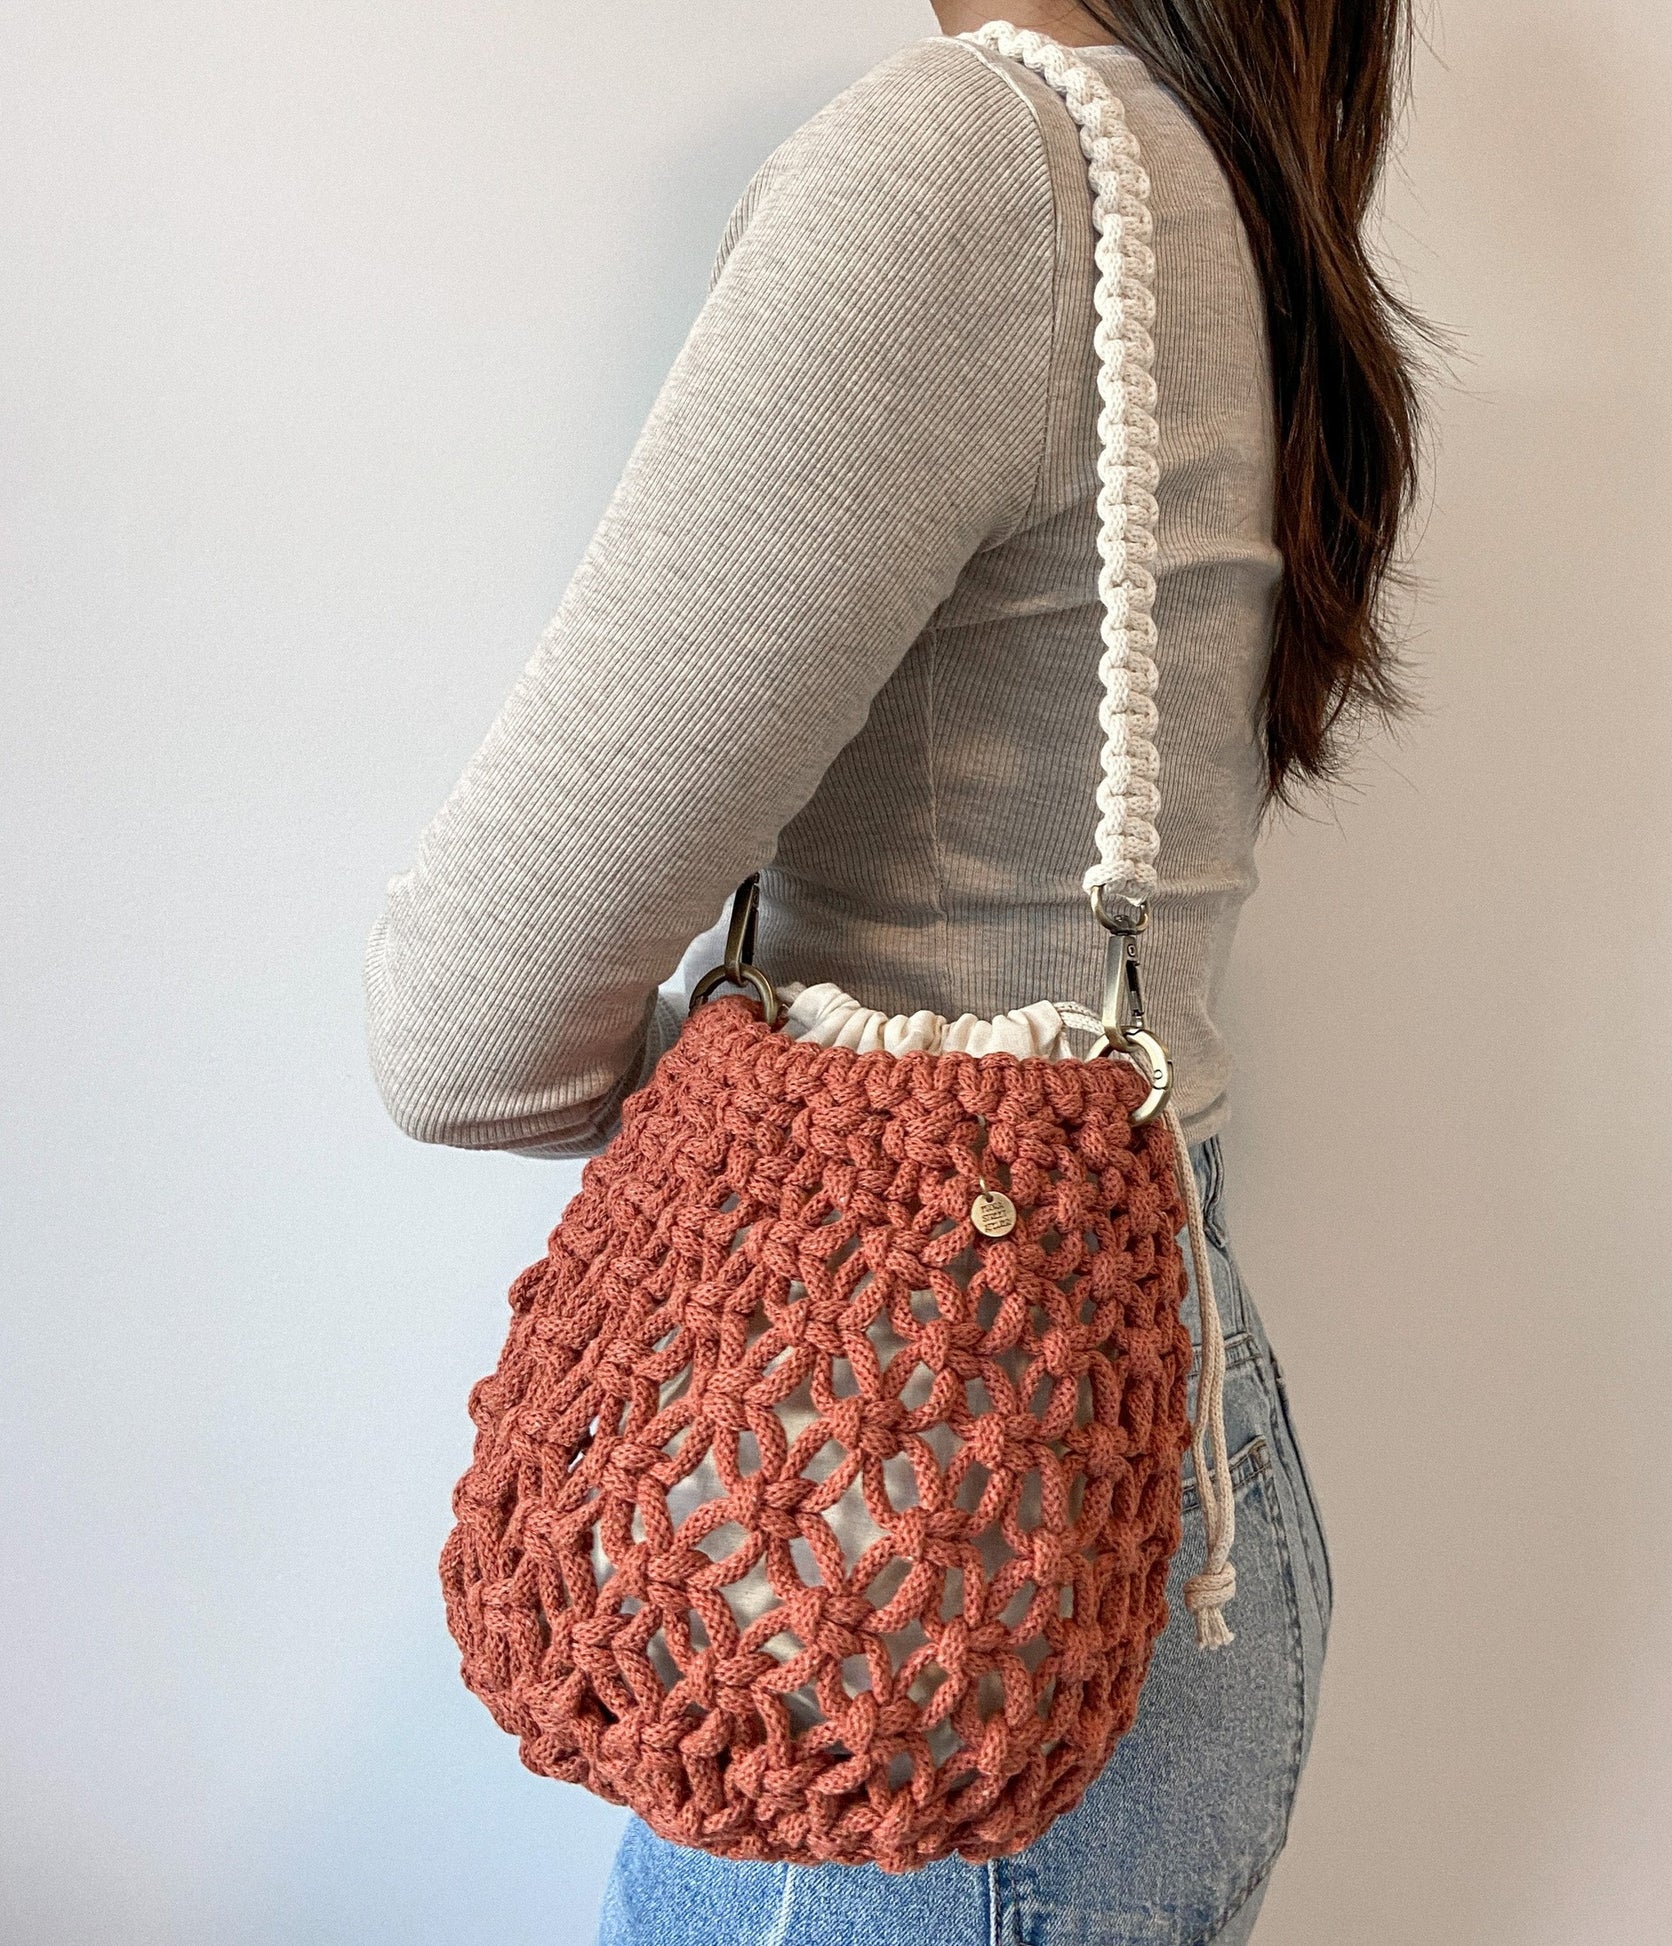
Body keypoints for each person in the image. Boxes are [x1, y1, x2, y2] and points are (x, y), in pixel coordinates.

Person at [364, 3, 1419, 1939]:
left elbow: (472, 1029)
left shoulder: (978, 161)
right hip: (1115, 1434)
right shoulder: (1209, 164)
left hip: (900, 1517)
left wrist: (759, 1129)